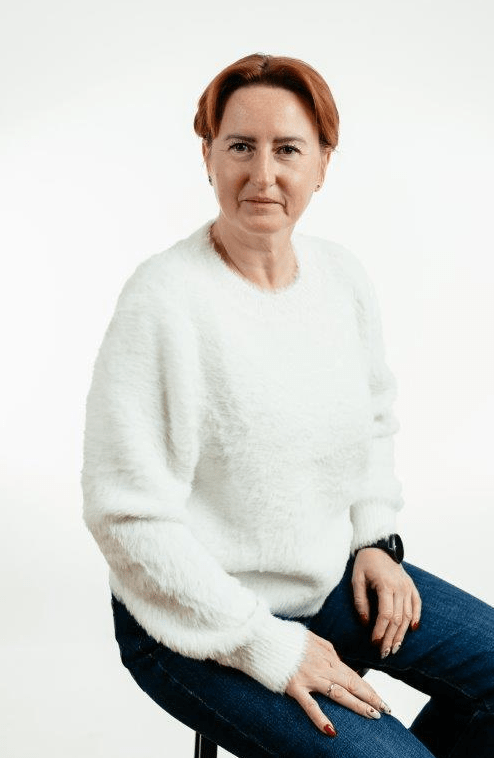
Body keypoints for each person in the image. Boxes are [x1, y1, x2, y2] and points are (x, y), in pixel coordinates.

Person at [81, 53, 494, 757]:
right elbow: (126, 517)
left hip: (327, 583)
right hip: (193, 620)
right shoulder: (165, 301)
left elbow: (373, 418)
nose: (263, 174)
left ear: (324, 163)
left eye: (288, 149)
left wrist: (375, 542)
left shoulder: (341, 278)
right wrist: (266, 644)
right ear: (208, 156)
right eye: (241, 146)